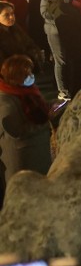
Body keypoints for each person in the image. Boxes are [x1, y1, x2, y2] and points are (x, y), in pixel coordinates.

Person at [0, 55, 52, 202]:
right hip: (24, 157)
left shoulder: (26, 92)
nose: (31, 76)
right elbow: (16, 131)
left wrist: (51, 107)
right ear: (16, 77)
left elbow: (37, 110)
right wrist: (44, 121)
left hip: (35, 153)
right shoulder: (6, 101)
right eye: (26, 74)